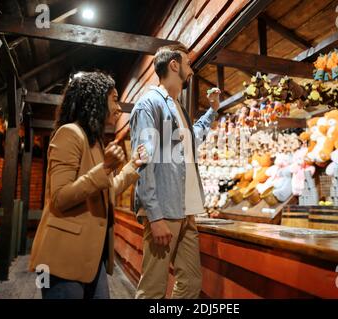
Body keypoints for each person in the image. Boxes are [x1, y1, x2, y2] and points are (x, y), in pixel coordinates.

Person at [29, 71, 147, 299]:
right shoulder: (69, 134)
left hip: (92, 258)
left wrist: (133, 166)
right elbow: (60, 197)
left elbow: (106, 189)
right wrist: (105, 167)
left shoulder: (95, 143)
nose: (119, 107)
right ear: (96, 99)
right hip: (62, 259)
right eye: (114, 98)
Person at [130, 44, 221, 299]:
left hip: (187, 211)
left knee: (191, 283)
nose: (191, 70)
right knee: (152, 290)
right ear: (174, 65)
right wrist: (155, 216)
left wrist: (213, 110)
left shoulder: (179, 109)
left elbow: (194, 141)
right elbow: (143, 161)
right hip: (165, 212)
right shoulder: (149, 104)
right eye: (188, 63)